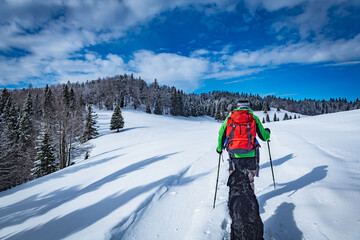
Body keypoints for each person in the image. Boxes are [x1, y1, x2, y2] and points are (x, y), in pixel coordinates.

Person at [216, 100, 270, 191]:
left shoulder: (229, 118)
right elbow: (264, 137)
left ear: (237, 107)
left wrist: (219, 148)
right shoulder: (253, 118)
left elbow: (221, 134)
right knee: (249, 180)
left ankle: (235, 200)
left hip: (234, 154)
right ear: (248, 107)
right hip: (251, 154)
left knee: (235, 179)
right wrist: (268, 133)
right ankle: (250, 201)